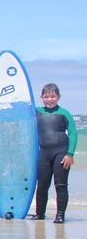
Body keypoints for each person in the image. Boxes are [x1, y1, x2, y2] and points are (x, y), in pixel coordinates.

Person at [34, 83, 77, 223]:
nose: (49, 99)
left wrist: (70, 154)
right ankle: (40, 214)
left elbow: (73, 133)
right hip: (44, 153)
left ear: (58, 97)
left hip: (61, 152)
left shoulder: (65, 113)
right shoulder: (37, 111)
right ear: (41, 97)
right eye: (46, 96)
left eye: (52, 96)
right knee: (42, 186)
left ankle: (60, 215)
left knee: (61, 185)